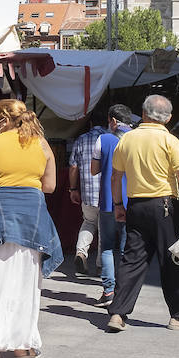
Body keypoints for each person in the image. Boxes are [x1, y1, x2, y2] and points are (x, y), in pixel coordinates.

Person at [0, 98, 61, 358]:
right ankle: (22, 345)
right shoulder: (42, 145)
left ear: (2, 119)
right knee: (26, 283)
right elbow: (49, 186)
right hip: (32, 219)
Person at [106, 94, 179, 332]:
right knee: (171, 260)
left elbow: (116, 176)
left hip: (135, 205)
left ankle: (118, 313)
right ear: (169, 118)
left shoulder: (127, 139)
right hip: (163, 207)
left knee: (132, 259)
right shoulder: (170, 141)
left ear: (142, 113)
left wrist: (118, 205)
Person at [90, 104, 133, 308]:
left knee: (107, 247)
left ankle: (108, 291)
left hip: (108, 200)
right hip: (132, 200)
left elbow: (93, 170)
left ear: (113, 121)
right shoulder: (138, 138)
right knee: (127, 249)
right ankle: (124, 292)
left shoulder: (103, 139)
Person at [67, 113, 107, 276]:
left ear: (90, 123)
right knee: (104, 229)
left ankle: (81, 252)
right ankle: (100, 265)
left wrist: (73, 188)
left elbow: (73, 167)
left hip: (88, 194)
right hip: (107, 194)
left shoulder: (81, 139)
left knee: (89, 222)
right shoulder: (110, 138)